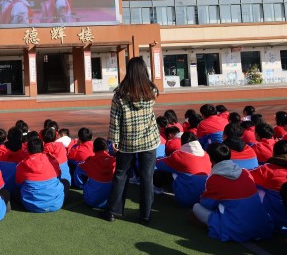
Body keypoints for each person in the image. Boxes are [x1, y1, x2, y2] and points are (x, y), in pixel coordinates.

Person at [104, 57, 159, 224]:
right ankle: (146, 215)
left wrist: (114, 139)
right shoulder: (152, 90)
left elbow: (115, 120)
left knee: (121, 175)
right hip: (149, 139)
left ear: (129, 71)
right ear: (144, 71)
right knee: (147, 177)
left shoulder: (119, 94)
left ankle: (112, 212)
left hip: (127, 141)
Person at [192, 143, 273, 242]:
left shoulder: (214, 179)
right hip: (261, 225)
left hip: (237, 228)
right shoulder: (245, 172)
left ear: (210, 159)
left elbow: (206, 204)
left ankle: (217, 226)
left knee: (196, 207)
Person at [155, 132, 211, 207]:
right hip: (202, 199)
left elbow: (159, 164)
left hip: (185, 200)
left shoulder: (180, 155)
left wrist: (159, 158)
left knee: (162, 171)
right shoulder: (206, 155)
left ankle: (157, 190)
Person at [250, 140, 287, 232]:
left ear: (274, 153)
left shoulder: (268, 169)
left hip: (277, 217)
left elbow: (247, 176)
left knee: (256, 187)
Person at [15, 138, 66, 213]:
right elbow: (58, 176)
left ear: (28, 149)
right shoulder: (52, 160)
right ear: (43, 148)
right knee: (65, 181)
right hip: (56, 204)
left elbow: (18, 183)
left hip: (31, 206)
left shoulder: (21, 164)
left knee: (14, 190)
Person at [76, 138, 116, 209]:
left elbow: (78, 169)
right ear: (107, 150)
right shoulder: (113, 161)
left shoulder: (90, 161)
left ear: (93, 150)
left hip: (90, 201)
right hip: (109, 202)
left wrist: (81, 185)